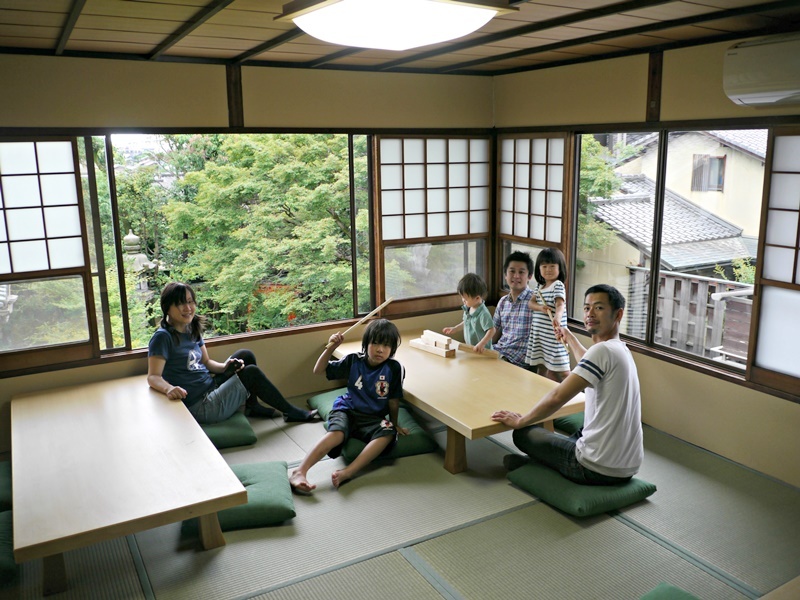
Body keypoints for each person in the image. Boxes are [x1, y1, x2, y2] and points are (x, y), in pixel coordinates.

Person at [491, 284, 643, 486]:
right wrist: (569, 336)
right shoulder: (619, 349)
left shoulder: (602, 352)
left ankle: (539, 466)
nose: (590, 313)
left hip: (595, 467)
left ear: (618, 314)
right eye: (587, 308)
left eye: (599, 308)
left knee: (524, 433)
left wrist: (521, 421)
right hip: (628, 465)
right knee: (581, 430)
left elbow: (557, 397)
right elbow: (588, 361)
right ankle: (537, 462)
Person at [147, 282, 318, 425]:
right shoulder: (163, 337)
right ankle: (291, 412)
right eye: (180, 304)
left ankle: (253, 406)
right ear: (167, 308)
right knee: (251, 374)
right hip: (200, 405)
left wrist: (225, 367)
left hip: (210, 386)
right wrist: (169, 388)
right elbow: (153, 377)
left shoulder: (191, 328)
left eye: (191, 302)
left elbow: (206, 362)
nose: (188, 308)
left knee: (245, 355)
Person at [290, 319, 409, 493]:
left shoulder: (394, 368)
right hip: (348, 409)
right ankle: (300, 471)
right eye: (375, 343)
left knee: (388, 432)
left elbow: (393, 399)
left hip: (373, 418)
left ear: (392, 348)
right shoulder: (354, 360)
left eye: (386, 345)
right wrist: (330, 347)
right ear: (366, 343)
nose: (380, 349)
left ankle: (348, 472)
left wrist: (395, 423)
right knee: (336, 434)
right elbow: (318, 370)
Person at [526, 248, 570, 382]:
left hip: (553, 335)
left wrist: (557, 317)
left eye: (552, 266)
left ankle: (577, 393)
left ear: (560, 268)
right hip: (540, 335)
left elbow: (560, 304)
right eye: (544, 266)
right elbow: (530, 304)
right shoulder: (539, 286)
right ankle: (541, 391)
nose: (548, 269)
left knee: (562, 369)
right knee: (541, 366)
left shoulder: (558, 285)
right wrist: (540, 308)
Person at [492, 251, 534, 369]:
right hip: (499, 352)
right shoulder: (503, 302)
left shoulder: (535, 302)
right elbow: (493, 331)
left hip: (519, 359)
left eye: (521, 272)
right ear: (505, 274)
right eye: (512, 271)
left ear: (529, 276)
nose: (516, 276)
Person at [442, 273, 496, 353]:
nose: (463, 300)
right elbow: (466, 322)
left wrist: (482, 343)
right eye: (462, 297)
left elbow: (492, 330)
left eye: (465, 299)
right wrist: (455, 328)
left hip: (483, 351)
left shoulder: (483, 313)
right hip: (471, 349)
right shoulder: (469, 308)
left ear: (477, 298)